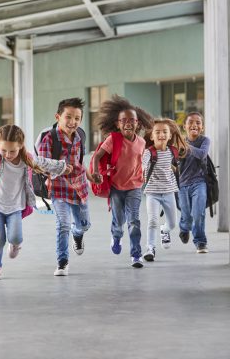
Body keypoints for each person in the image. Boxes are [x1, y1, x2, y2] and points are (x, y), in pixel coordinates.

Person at [0, 124, 72, 280]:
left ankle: (15, 244)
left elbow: (44, 162)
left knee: (16, 237)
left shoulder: (26, 159)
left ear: (20, 146)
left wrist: (63, 167)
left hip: (15, 207)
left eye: (12, 151)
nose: (8, 154)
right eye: (4, 150)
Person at [37, 97, 98, 276]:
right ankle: (62, 262)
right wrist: (61, 168)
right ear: (58, 116)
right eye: (68, 117)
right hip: (58, 187)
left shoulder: (80, 136)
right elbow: (41, 163)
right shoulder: (49, 139)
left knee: (84, 225)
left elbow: (80, 163)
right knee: (62, 224)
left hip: (79, 186)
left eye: (77, 118)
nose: (72, 122)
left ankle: (78, 234)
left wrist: (91, 177)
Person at [91, 95, 153, 268]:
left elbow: (143, 162)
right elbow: (97, 156)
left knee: (134, 220)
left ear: (138, 123)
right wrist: (96, 172)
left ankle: (135, 255)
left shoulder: (141, 142)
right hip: (117, 187)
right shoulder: (114, 139)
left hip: (135, 186)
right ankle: (116, 236)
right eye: (123, 120)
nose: (128, 123)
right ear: (117, 124)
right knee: (119, 221)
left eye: (131, 120)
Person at [142, 118, 188, 261]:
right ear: (152, 136)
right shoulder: (149, 152)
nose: (161, 134)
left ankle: (165, 230)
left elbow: (176, 165)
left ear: (169, 135)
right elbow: (142, 163)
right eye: (157, 132)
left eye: (165, 132)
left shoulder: (173, 151)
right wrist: (142, 168)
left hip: (169, 192)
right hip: (152, 193)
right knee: (152, 220)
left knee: (173, 224)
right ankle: (150, 248)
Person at [178, 112, 210, 253]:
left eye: (198, 122)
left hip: (199, 182)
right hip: (183, 184)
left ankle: (200, 242)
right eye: (190, 122)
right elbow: (176, 161)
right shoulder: (179, 142)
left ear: (202, 127)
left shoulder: (204, 140)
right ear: (185, 126)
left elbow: (202, 154)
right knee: (186, 214)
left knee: (198, 213)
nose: (194, 125)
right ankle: (184, 227)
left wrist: (187, 147)